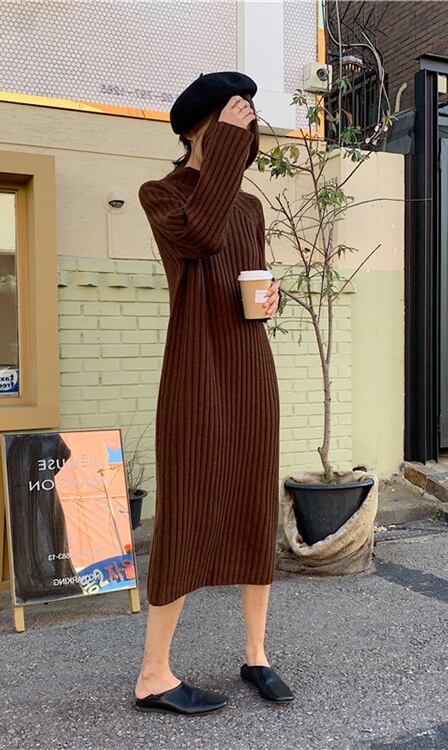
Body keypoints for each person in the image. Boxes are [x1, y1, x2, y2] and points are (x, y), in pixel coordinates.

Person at [134, 71, 293, 716]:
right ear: (199, 131)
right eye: (233, 124)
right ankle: (153, 673)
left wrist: (270, 297)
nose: (245, 137)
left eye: (248, 128)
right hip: (195, 373)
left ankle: (256, 654)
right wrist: (223, 146)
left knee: (254, 505)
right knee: (187, 511)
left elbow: (246, 274)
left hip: (250, 368)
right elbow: (200, 235)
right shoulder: (161, 195)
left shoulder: (251, 208)